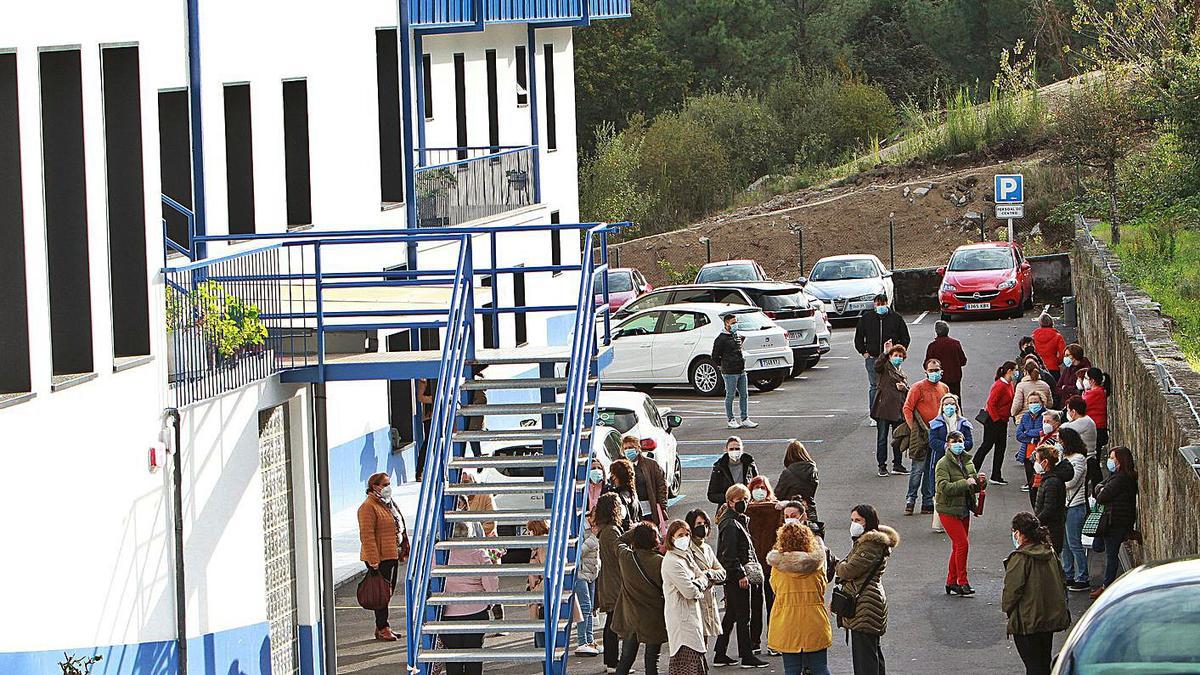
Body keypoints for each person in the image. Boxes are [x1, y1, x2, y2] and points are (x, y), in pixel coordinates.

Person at [1004, 512, 1073, 675]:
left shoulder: (1020, 558)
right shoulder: (1049, 552)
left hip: (1027, 622)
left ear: (1019, 533)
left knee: (1033, 666)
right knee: (1043, 662)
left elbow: (1012, 592)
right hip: (1048, 618)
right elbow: (1062, 581)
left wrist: (1008, 610)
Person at [835, 505, 899, 675]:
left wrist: (838, 565)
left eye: (858, 520)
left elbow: (848, 570)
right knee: (872, 653)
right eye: (852, 520)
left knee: (865, 659)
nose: (854, 524)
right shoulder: (866, 542)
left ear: (868, 522)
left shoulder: (870, 545)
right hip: (868, 601)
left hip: (865, 604)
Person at [714, 484, 769, 668]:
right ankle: (746, 656)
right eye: (739, 500)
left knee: (731, 614)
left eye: (746, 499)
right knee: (744, 616)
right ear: (730, 502)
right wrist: (740, 574)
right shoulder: (731, 524)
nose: (744, 503)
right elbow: (729, 554)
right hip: (737, 576)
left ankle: (720, 653)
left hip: (734, 575)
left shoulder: (736, 520)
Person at [767, 522, 832, 675]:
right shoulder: (817, 565)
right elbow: (822, 587)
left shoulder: (778, 567)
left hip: (786, 620)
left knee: (792, 669)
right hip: (814, 619)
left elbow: (775, 588)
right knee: (820, 667)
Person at [440, 521, 499, 675]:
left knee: (452, 657)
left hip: (447, 614)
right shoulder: (478, 553)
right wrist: (489, 603)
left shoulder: (439, 554)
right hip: (476, 611)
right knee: (474, 655)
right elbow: (491, 583)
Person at [357, 472, 409, 641]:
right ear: (375, 487)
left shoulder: (387, 503)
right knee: (381, 593)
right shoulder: (368, 507)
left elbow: (398, 523)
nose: (388, 487)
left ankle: (382, 625)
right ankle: (382, 627)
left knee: (388, 592)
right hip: (379, 558)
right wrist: (373, 561)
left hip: (391, 554)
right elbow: (367, 536)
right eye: (385, 484)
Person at [612, 522, 667, 675]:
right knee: (651, 661)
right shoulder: (659, 562)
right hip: (653, 617)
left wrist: (635, 530)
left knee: (626, 659)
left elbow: (617, 542)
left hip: (631, 617)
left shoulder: (626, 557)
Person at [935, 430, 985, 596]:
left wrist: (980, 483)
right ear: (948, 445)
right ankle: (962, 582)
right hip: (948, 509)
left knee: (957, 546)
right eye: (954, 441)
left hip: (963, 508)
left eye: (960, 441)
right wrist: (965, 483)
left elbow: (974, 486)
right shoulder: (943, 464)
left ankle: (951, 581)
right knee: (962, 544)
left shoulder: (968, 462)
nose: (958, 444)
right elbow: (943, 488)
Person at [662, 519, 713, 675]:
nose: (684, 538)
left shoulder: (686, 556)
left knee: (697, 662)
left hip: (693, 617)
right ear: (671, 538)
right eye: (680, 535)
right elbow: (689, 592)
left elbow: (703, 576)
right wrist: (699, 585)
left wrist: (698, 583)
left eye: (687, 534)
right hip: (682, 621)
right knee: (686, 664)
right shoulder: (672, 561)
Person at [855, 294, 911, 425]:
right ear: (874, 304)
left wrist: (899, 353)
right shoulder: (866, 318)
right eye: (878, 304)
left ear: (887, 303)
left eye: (883, 303)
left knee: (892, 385)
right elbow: (859, 337)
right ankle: (874, 415)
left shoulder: (896, 318)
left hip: (891, 359)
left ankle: (894, 413)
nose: (880, 306)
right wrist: (864, 352)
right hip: (873, 357)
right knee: (875, 386)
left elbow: (905, 337)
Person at [1091, 446, 1138, 599]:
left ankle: (1107, 586)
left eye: (1112, 458)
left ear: (1120, 461)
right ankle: (1129, 534)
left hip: (1115, 521)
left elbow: (1101, 496)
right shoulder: (1115, 476)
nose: (1110, 461)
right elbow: (1098, 489)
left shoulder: (1121, 478)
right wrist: (1101, 489)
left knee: (1111, 555)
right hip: (1110, 519)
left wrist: (1101, 489)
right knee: (1098, 546)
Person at [927, 394, 973, 533]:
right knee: (940, 490)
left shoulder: (963, 422)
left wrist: (960, 445)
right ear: (942, 406)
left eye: (952, 404)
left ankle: (957, 518)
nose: (949, 407)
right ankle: (940, 522)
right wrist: (947, 447)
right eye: (946, 404)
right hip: (941, 459)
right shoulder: (936, 423)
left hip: (959, 462)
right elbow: (932, 441)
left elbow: (970, 441)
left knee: (958, 488)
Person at [746, 476, 780, 653]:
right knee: (755, 606)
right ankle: (754, 642)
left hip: (771, 565)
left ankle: (773, 642)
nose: (760, 491)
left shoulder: (776, 509)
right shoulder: (746, 510)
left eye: (763, 488)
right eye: (756, 487)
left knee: (773, 605)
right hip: (753, 566)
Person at [596, 493, 629, 673]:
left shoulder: (606, 530)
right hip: (614, 583)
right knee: (613, 625)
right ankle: (613, 662)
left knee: (611, 623)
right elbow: (620, 553)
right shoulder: (611, 531)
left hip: (610, 581)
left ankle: (611, 661)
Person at [683, 509, 726, 646]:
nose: (703, 527)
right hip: (695, 599)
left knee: (705, 639)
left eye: (705, 524)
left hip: (708, 598)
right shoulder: (687, 549)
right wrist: (707, 575)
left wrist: (708, 573)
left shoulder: (707, 548)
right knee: (697, 640)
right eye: (698, 524)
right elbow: (693, 575)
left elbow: (722, 573)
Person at [1058, 428, 1091, 592]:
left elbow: (1071, 481)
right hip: (1065, 504)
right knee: (1065, 543)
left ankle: (1082, 576)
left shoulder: (1078, 459)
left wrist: (1055, 481)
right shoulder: (1064, 457)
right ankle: (1068, 573)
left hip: (1075, 505)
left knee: (1074, 543)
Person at [975, 361, 1018, 485]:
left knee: (1000, 448)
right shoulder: (1000, 385)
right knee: (986, 446)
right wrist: (997, 419)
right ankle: (973, 470)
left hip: (1002, 420)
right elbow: (991, 403)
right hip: (994, 421)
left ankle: (996, 474)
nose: (1016, 373)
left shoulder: (1009, 384)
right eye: (1015, 370)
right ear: (1009, 371)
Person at [713, 314, 759, 430]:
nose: (735, 325)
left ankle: (745, 418)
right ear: (726, 323)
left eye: (736, 322)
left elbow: (739, 349)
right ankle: (731, 419)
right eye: (733, 323)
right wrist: (722, 365)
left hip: (741, 370)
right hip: (729, 372)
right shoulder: (721, 339)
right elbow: (715, 356)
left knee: (744, 395)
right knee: (730, 395)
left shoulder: (736, 336)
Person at [872, 343, 911, 477]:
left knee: (898, 438)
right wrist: (885, 352)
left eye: (900, 356)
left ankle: (897, 464)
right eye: (895, 355)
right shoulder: (885, 367)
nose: (898, 358)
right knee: (882, 438)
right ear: (890, 357)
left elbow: (908, 392)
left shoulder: (902, 373)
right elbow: (877, 366)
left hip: (897, 410)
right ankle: (882, 466)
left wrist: (905, 388)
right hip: (884, 409)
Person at [1032, 444, 1071, 554]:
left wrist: (1035, 523)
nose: (1036, 463)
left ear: (1045, 462)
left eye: (1037, 460)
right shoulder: (1050, 479)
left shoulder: (1052, 482)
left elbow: (1049, 509)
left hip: (1051, 529)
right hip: (1051, 527)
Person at [623, 435, 670, 527]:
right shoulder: (621, 467)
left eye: (631, 447)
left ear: (638, 448)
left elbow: (662, 485)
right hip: (632, 511)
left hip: (650, 509)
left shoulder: (651, 465)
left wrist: (662, 506)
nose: (628, 450)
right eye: (626, 448)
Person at [575, 512, 602, 656]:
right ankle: (582, 641)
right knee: (584, 607)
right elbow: (578, 552)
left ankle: (590, 640)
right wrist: (593, 537)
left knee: (590, 608)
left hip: (591, 572)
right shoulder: (582, 528)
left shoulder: (593, 530)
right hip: (581, 573)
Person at [1014, 392, 1048, 504]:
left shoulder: (1046, 416)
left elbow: (1042, 431)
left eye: (1036, 402)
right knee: (1031, 483)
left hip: (1041, 454)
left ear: (1042, 403)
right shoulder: (1025, 416)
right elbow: (1019, 434)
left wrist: (1028, 432)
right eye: (1031, 402)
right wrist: (1032, 438)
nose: (1033, 405)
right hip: (1028, 454)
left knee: (1040, 483)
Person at [706, 436, 759, 506]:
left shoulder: (749, 464)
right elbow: (712, 495)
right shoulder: (719, 467)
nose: (734, 451)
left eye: (737, 449)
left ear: (742, 449)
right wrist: (731, 498)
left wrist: (747, 497)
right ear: (726, 450)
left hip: (748, 505)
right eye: (731, 449)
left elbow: (757, 484)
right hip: (727, 507)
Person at [775, 440, 820, 520]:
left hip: (790, 510)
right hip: (809, 508)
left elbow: (778, 494)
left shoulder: (788, 473)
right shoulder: (813, 470)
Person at [924, 320, 968, 399]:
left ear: (936, 332)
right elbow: (963, 361)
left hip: (939, 379)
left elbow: (927, 364)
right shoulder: (955, 344)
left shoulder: (933, 346)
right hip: (955, 377)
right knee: (955, 399)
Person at [526, 520, 550, 648]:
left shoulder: (542, 546)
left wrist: (536, 591)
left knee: (541, 639)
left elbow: (547, 572)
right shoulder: (540, 545)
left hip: (541, 598)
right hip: (539, 596)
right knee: (540, 637)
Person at [606, 459, 642, 530]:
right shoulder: (633, 493)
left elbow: (624, 519)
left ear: (616, 476)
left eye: (612, 473)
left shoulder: (619, 496)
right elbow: (640, 515)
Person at [1081, 367, 1110, 453]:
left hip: (1095, 428)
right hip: (1098, 427)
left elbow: (1082, 404)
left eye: (1086, 378)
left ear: (1092, 380)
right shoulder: (1100, 391)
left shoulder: (1095, 393)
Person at [1032, 314, 1067, 379]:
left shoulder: (1034, 336)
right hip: (1053, 366)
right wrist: (1058, 361)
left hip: (1038, 367)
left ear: (1040, 323)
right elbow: (1063, 352)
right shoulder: (1057, 336)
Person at [415, 377, 436, 480]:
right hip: (429, 416)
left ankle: (438, 470)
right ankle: (419, 472)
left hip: (440, 416)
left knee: (438, 444)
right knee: (428, 443)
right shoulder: (424, 380)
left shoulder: (441, 378)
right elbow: (420, 397)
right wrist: (435, 399)